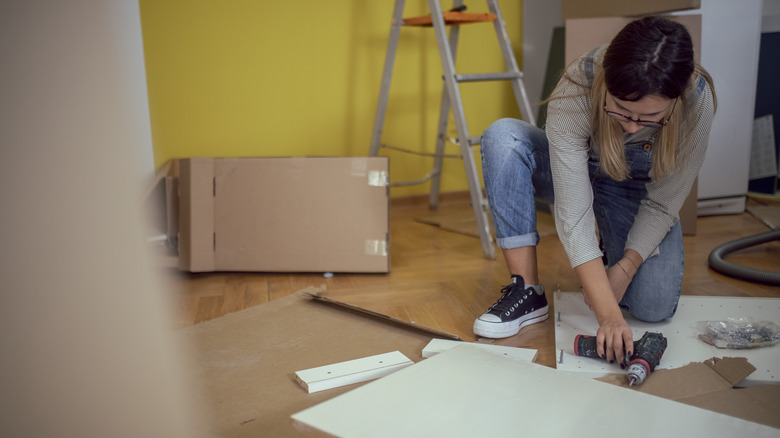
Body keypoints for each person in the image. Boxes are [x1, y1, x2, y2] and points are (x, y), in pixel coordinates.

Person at [472, 16, 717, 365]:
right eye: (621, 110)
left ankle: (604, 251)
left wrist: (625, 268)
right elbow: (573, 212)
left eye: (649, 117)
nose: (631, 127)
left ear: (675, 100)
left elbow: (664, 204)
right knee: (503, 138)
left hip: (632, 189)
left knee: (654, 306)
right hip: (575, 173)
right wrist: (609, 316)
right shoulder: (578, 83)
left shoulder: (698, 100)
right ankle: (526, 290)